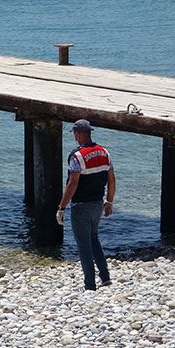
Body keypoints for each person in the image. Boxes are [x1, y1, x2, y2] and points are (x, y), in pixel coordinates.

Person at [57, 119, 116, 291]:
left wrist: (61, 207)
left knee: (83, 245)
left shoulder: (77, 156)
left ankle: (89, 285)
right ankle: (105, 277)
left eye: (75, 133)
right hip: (98, 203)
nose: (75, 137)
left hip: (81, 206)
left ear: (79, 133)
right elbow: (111, 179)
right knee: (94, 239)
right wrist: (109, 201)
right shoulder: (104, 152)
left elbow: (72, 183)